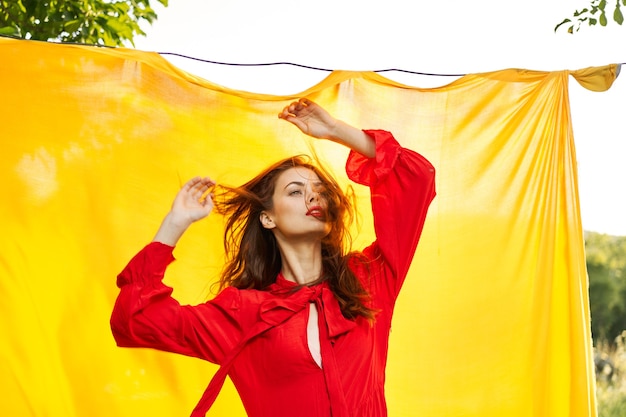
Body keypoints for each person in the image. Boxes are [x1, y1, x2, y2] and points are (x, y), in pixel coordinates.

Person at [110, 98, 436, 417]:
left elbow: (416, 178)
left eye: (319, 190)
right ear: (268, 218)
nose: (312, 195)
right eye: (295, 191)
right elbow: (135, 319)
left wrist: (336, 130)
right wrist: (174, 224)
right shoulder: (242, 312)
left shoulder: (368, 280)